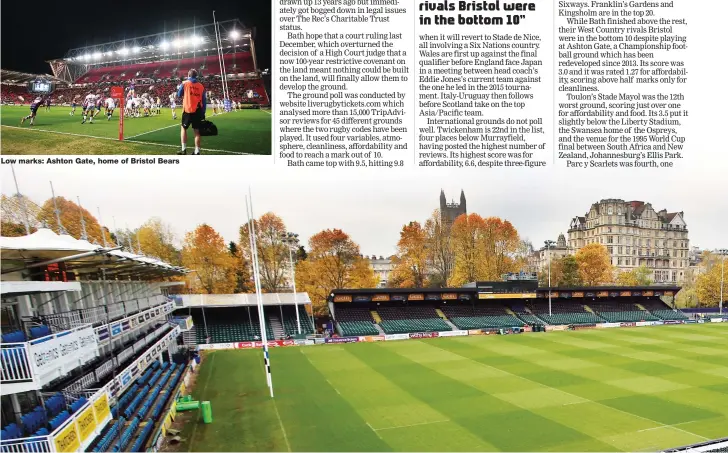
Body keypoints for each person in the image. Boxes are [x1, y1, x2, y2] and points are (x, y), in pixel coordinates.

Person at [177, 69, 207, 155]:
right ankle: (197, 151)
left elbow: (179, 95)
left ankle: (183, 150)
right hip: (198, 111)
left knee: (183, 128)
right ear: (196, 76)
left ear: (188, 75)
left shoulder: (185, 83)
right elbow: (204, 101)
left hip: (187, 110)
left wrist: (181, 86)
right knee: (197, 132)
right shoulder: (201, 86)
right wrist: (203, 112)